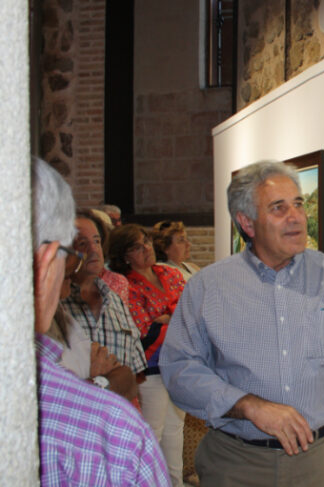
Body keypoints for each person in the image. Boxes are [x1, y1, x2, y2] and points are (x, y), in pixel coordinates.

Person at [159, 161, 324, 487]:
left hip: (319, 461)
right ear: (247, 222)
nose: (296, 216)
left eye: (298, 204)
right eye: (278, 208)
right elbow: (179, 368)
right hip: (235, 463)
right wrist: (248, 406)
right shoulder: (208, 287)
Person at [31, 156, 170, 486]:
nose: (90, 251)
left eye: (96, 241)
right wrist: (94, 386)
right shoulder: (115, 436)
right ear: (48, 263)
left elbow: (129, 373)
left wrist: (100, 383)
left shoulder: (113, 293)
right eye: (77, 247)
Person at [108, 223, 187, 487]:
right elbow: (142, 330)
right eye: (137, 247)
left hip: (179, 362)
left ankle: (175, 482)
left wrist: (165, 318)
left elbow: (190, 311)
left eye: (147, 242)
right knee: (153, 432)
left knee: (175, 430)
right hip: (150, 367)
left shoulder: (169, 273)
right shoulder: (127, 284)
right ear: (124, 256)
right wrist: (171, 318)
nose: (146, 248)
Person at [60, 211, 147, 399]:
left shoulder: (115, 301)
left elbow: (135, 377)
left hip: (117, 413)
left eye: (97, 241)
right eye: (82, 243)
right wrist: (100, 382)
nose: (93, 249)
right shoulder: (56, 306)